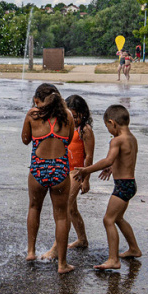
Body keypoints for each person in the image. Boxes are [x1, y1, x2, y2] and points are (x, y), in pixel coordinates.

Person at [73, 104, 141, 270]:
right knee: (117, 218)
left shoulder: (116, 140)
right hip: (130, 183)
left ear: (113, 123)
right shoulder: (132, 138)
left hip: (122, 186)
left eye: (107, 127)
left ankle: (113, 260)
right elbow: (127, 159)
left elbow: (108, 159)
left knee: (108, 219)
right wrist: (113, 168)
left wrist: (86, 170)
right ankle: (134, 248)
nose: (109, 130)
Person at [21, 83, 75, 274]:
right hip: (60, 169)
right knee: (61, 215)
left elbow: (25, 140)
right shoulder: (67, 116)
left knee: (34, 207)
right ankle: (62, 264)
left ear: (37, 100)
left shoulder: (32, 114)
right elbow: (68, 140)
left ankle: (30, 251)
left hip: (38, 168)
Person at [41, 95, 95, 260]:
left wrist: (86, 179)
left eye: (76, 115)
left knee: (64, 208)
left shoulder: (85, 130)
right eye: (71, 115)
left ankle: (56, 249)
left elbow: (89, 157)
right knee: (72, 209)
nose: (74, 119)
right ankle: (82, 239)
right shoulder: (66, 126)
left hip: (77, 173)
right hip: (64, 170)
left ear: (83, 113)